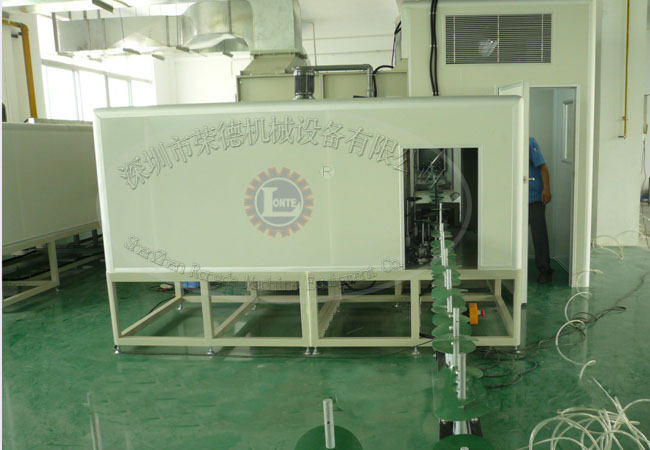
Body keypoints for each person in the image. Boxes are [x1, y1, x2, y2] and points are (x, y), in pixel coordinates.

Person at [529, 136, 553, 284]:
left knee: (539, 235)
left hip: (534, 197)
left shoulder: (529, 142)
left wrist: (546, 189)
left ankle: (545, 270)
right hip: (517, 198)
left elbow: (543, 167)